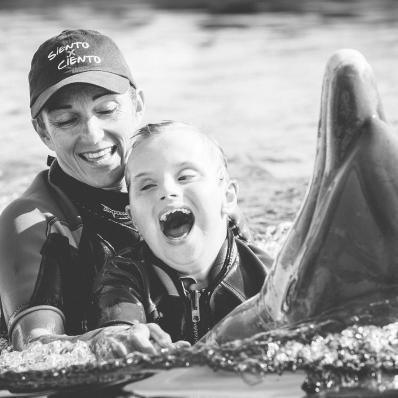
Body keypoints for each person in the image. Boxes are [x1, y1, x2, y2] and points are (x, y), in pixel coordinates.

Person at [0, 29, 249, 354]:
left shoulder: (195, 197)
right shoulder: (32, 224)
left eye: (106, 110)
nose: (92, 134)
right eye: (66, 120)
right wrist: (104, 341)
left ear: (138, 104)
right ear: (43, 132)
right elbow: (33, 350)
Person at [92, 121, 273, 344]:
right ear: (134, 219)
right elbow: (117, 329)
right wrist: (125, 339)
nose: (167, 191)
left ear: (227, 197)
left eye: (184, 177)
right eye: (147, 186)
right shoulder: (124, 276)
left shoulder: (267, 275)